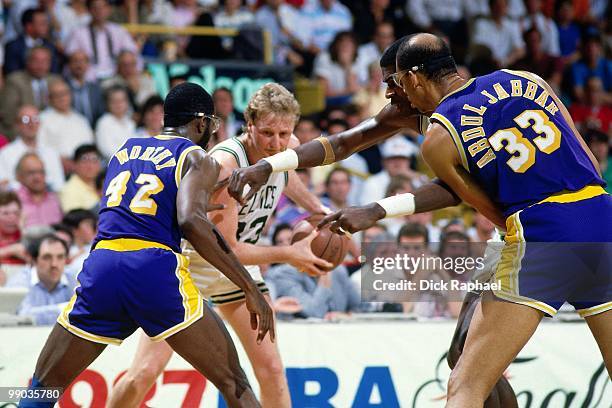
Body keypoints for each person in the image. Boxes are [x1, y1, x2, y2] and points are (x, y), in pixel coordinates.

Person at [226, 35, 518, 407]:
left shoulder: (460, 115)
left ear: (411, 79)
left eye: (390, 83)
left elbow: (457, 189)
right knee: (464, 357)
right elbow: (344, 143)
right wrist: (269, 165)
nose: (387, 94)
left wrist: (376, 210)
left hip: (526, 229)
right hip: (514, 229)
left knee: (469, 363)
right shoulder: (407, 111)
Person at [18, 82, 273, 408]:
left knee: (43, 386)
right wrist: (249, 286)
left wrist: (182, 202)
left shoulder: (123, 150)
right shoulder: (198, 155)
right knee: (233, 381)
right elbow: (191, 222)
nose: (213, 130)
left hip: (103, 265)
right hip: (152, 268)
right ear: (200, 123)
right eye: (213, 123)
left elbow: (130, 208)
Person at [389, 33, 610, 406]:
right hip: (602, 215)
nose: (401, 95)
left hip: (544, 230)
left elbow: (495, 213)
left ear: (412, 78)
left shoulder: (438, 139)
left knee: (466, 383)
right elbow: (589, 158)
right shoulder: (527, 79)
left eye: (397, 84)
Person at [109, 83, 331, 408]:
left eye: (285, 134)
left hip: (236, 272)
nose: (277, 143)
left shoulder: (288, 148)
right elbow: (227, 246)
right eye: (268, 133)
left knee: (271, 368)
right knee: (144, 371)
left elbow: (286, 174)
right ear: (249, 124)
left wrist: (318, 210)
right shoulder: (227, 164)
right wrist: (288, 253)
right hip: (193, 265)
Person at [6, 234, 76, 325]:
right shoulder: (19, 282)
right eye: (47, 257)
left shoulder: (75, 280)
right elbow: (21, 317)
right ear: (33, 260)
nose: (54, 264)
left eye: (60, 257)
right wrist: (64, 309)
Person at [0, 105, 64, 192]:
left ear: (40, 123)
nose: (31, 124)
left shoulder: (51, 153)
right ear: (17, 124)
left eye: (35, 119)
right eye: (25, 120)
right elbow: (4, 186)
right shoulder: (5, 153)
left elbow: (59, 184)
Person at [15, 153, 63, 229]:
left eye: (41, 172)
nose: (37, 177)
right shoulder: (14, 200)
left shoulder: (55, 199)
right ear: (19, 176)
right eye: (31, 173)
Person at [59, 145, 102, 213]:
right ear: (74, 164)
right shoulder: (69, 190)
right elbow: (74, 219)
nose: (90, 166)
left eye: (94, 160)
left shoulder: (105, 185)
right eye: (85, 161)